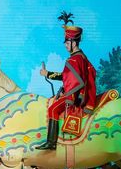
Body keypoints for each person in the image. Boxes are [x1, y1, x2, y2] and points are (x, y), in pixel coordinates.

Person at [36, 15, 97, 150]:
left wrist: (47, 74)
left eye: (67, 43)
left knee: (52, 109)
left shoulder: (74, 60)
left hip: (75, 95)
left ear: (73, 43)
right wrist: (49, 74)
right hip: (81, 93)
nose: (65, 45)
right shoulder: (82, 57)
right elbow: (68, 77)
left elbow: (68, 78)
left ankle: (51, 143)